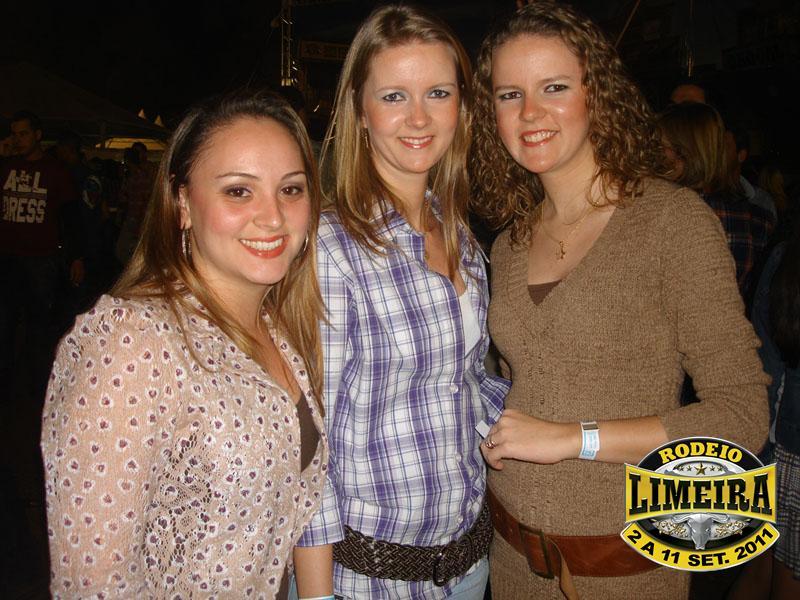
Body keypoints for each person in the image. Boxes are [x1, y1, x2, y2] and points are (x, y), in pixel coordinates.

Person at [470, 2, 768, 598]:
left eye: (554, 87)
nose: (530, 112)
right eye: (509, 94)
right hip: (508, 560)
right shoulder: (509, 242)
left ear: (597, 95)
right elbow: (526, 382)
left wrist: (574, 437)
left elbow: (742, 416)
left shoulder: (671, 222)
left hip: (625, 571)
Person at [41, 89, 330, 599]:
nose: (272, 216)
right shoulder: (132, 343)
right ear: (182, 204)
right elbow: (95, 585)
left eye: (291, 189)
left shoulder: (280, 328)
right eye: (238, 191)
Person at [296, 5, 509, 598]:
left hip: (469, 567)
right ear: (359, 111)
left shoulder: (460, 235)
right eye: (394, 96)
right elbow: (308, 443)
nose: (419, 117)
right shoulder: (330, 247)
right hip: (366, 582)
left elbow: (463, 382)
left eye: (438, 93)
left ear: (462, 107)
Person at [657, 102, 774, 308]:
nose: (653, 154)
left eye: (660, 146)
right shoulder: (759, 219)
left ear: (682, 153)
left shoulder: (662, 214)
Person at [0, 111, 85, 395]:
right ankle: (6, 383)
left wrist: (76, 256)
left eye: (24, 134)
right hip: (7, 257)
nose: (18, 140)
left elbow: (71, 217)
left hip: (41, 258)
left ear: (38, 135)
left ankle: (37, 387)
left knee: (38, 325)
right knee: (5, 322)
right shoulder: (7, 166)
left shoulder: (55, 171)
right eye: (14, 134)